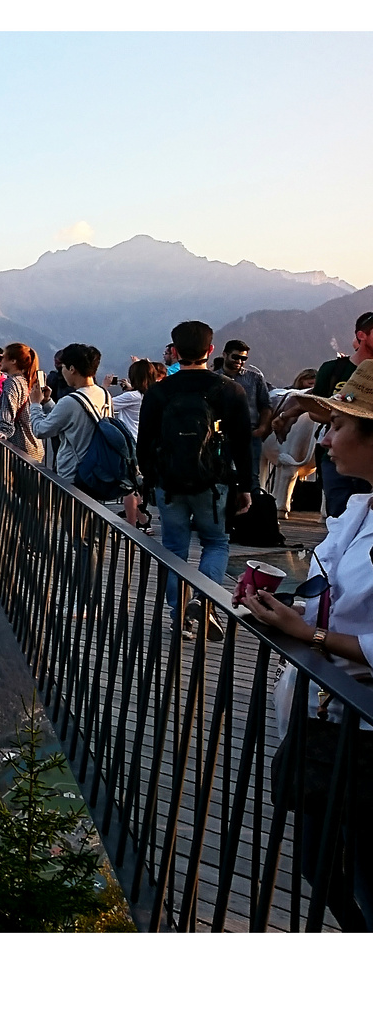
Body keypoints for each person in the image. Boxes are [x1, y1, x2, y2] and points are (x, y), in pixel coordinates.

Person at [238, 357, 373, 931]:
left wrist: (311, 635)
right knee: (325, 869)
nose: (326, 436)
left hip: (362, 730)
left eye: (339, 424)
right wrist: (287, 610)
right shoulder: (361, 509)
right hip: (330, 722)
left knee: (358, 877)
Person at [136, 320, 253, 640]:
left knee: (174, 550)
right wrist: (246, 487)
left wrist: (151, 481)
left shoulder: (160, 391)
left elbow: (144, 442)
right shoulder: (230, 390)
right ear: (211, 350)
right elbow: (243, 444)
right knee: (216, 543)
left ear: (174, 351)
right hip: (213, 484)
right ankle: (204, 602)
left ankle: (180, 617)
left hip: (169, 485)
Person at [275, 310, 373, 518]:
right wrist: (340, 420)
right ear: (362, 335)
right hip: (334, 452)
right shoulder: (333, 369)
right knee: (337, 512)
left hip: (368, 452)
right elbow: (314, 410)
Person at [26, 342, 109, 484]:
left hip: (73, 475)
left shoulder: (70, 401)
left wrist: (35, 404)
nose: (62, 372)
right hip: (97, 471)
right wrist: (47, 402)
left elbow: (40, 430)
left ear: (72, 369)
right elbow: (71, 418)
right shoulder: (104, 393)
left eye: (63, 367)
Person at [212, 339, 273, 492]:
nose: (239, 361)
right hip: (221, 435)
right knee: (219, 474)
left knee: (252, 476)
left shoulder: (255, 379)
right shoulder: (213, 379)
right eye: (235, 357)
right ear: (225, 355)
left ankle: (251, 511)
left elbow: (265, 405)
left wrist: (263, 428)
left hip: (249, 434)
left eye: (243, 358)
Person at [112, 359, 165, 527]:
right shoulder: (153, 395)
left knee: (129, 485)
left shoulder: (132, 396)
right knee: (137, 483)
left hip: (130, 443)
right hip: (147, 443)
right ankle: (141, 520)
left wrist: (104, 387)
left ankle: (134, 523)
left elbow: (104, 405)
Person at [260, 369, 319, 518]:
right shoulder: (292, 396)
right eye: (309, 383)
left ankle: (280, 502)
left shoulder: (297, 399)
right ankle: (276, 502)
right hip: (286, 437)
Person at [0, 343, 45, 463]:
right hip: (34, 445)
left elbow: (8, 409)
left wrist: (3, 430)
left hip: (21, 446)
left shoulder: (12, 383)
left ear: (13, 361)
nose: (0, 361)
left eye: (3, 358)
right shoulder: (26, 381)